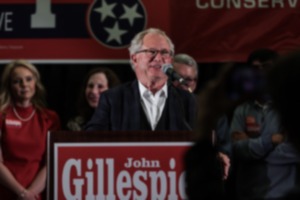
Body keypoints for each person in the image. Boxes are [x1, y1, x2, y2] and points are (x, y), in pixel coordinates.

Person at [85, 28, 196, 131]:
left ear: (170, 60)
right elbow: (92, 139)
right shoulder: (112, 99)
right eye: (152, 52)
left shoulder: (188, 101)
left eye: (164, 52)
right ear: (135, 59)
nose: (158, 58)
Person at [229, 48, 300, 200]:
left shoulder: (288, 107)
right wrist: (271, 141)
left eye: (266, 67)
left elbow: (294, 150)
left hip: (282, 193)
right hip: (248, 194)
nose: (260, 73)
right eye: (255, 68)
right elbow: (236, 149)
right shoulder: (241, 110)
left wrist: (252, 148)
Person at [0, 60, 61, 200]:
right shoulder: (1, 116)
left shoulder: (50, 118)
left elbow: (52, 163)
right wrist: (21, 192)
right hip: (6, 193)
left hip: (38, 194)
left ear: (36, 83)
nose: (24, 85)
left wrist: (31, 193)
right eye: (17, 81)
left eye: (29, 79)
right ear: (9, 86)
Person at [173, 53, 231, 181]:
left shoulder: (211, 110)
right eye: (178, 78)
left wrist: (222, 154)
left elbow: (225, 146)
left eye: (188, 80)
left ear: (196, 82)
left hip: (200, 178)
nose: (183, 84)